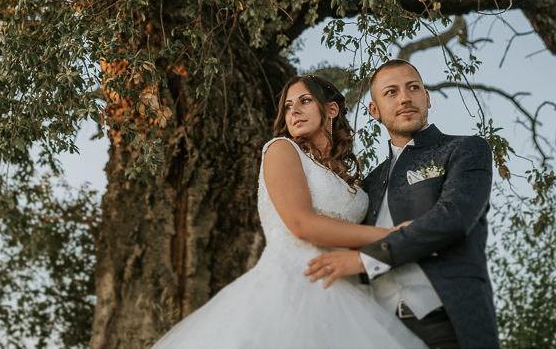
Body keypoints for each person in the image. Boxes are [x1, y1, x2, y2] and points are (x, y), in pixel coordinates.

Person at [152, 73, 426, 349]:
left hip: (347, 287)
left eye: (305, 101)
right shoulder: (282, 149)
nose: (293, 110)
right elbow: (301, 224)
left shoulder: (348, 178)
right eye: (288, 106)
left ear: (331, 109)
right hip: (291, 284)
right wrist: (392, 236)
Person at [304, 60, 500, 349]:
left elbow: (453, 218)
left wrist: (365, 260)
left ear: (427, 98)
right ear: (374, 110)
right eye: (391, 92)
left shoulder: (465, 149)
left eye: (413, 88)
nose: (405, 98)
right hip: (376, 330)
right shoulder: (368, 183)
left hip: (448, 321)